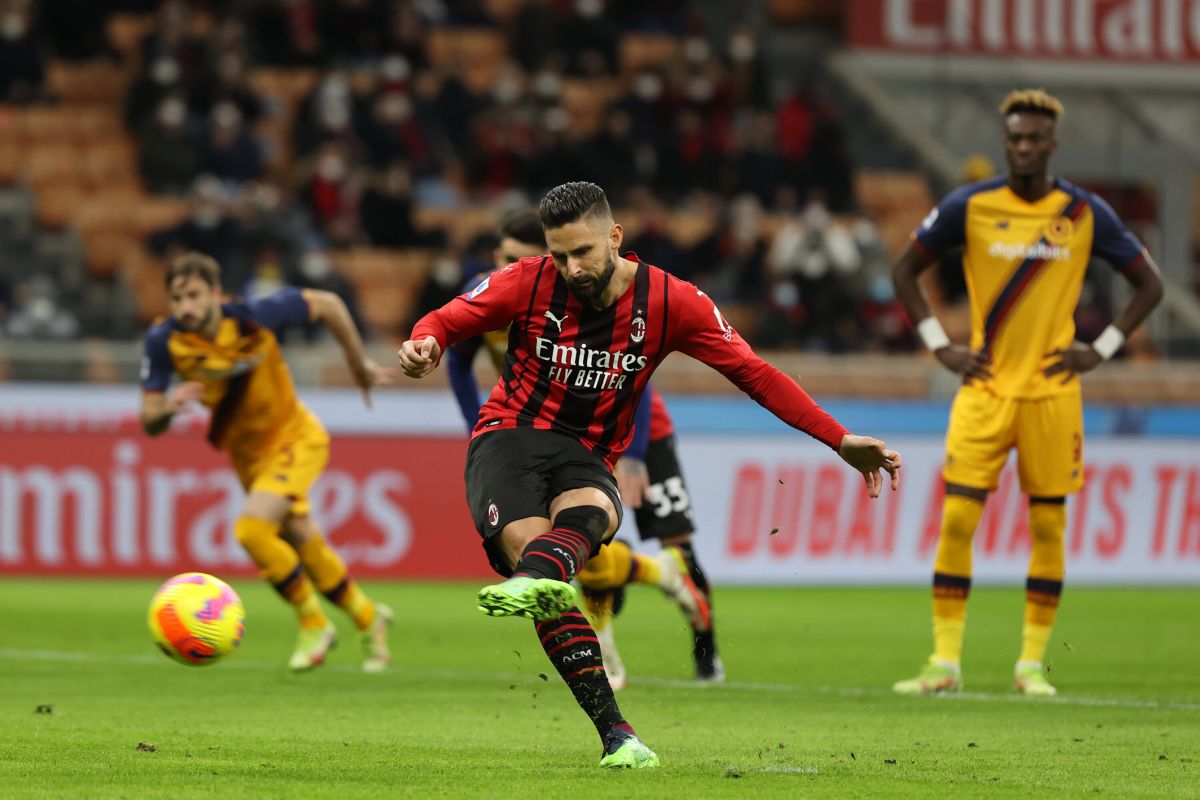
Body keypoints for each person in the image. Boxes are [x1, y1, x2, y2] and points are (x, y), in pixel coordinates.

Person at [397, 181, 901, 768]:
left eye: (582, 252)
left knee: (594, 515)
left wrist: (839, 440)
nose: (571, 267)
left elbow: (756, 374)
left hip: (588, 450)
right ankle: (616, 731)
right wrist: (422, 345)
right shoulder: (525, 280)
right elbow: (444, 318)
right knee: (541, 567)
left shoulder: (673, 301)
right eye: (559, 254)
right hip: (510, 436)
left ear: (616, 237)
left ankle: (550, 601)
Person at [890, 89, 1163, 697]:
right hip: (985, 390)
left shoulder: (1084, 212)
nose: (1022, 147)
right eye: (1014, 137)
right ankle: (944, 664)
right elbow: (904, 270)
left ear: (1052, 145)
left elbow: (1149, 284)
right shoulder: (972, 205)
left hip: (1052, 395)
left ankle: (1030, 666)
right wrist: (939, 344)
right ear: (1005, 140)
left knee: (1047, 531)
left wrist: (1105, 347)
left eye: (1033, 139)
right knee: (957, 521)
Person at [444, 208, 716, 691]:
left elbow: (638, 370)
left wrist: (633, 453)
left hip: (630, 427)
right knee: (565, 551)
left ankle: (702, 650)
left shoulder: (577, 286)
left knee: (662, 541)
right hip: (543, 430)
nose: (563, 269)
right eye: (507, 258)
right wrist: (478, 427)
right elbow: (458, 360)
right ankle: (615, 634)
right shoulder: (494, 291)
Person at [139, 252, 397, 673]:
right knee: (297, 535)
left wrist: (359, 365)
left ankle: (314, 623)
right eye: (177, 298)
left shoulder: (253, 316)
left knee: (252, 529)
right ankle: (370, 618)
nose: (186, 307)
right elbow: (148, 420)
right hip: (247, 455)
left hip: (295, 436)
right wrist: (169, 406)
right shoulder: (163, 341)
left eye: (194, 295)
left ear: (215, 293)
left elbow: (329, 303)